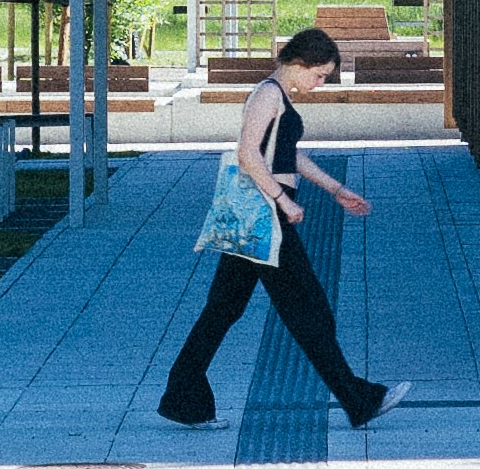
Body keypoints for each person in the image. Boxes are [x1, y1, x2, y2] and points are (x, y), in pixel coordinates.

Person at [158, 24, 406, 433]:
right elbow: (248, 153)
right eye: (319, 74)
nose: (320, 84)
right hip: (265, 216)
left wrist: (335, 189)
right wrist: (283, 199)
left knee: (223, 309)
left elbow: (289, 155)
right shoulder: (268, 94)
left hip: (257, 215)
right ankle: (358, 398)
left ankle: (183, 397)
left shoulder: (278, 97)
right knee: (308, 309)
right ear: (299, 63)